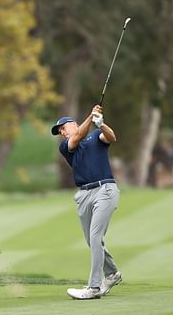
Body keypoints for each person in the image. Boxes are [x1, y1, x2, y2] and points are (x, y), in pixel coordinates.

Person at [51, 104, 122, 300]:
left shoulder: (94, 137)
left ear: (73, 124)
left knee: (95, 235)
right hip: (84, 195)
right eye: (60, 131)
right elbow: (77, 138)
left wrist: (101, 124)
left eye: (64, 128)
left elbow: (110, 137)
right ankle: (113, 274)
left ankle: (94, 287)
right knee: (92, 240)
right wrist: (91, 117)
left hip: (105, 190)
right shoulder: (66, 146)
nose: (62, 133)